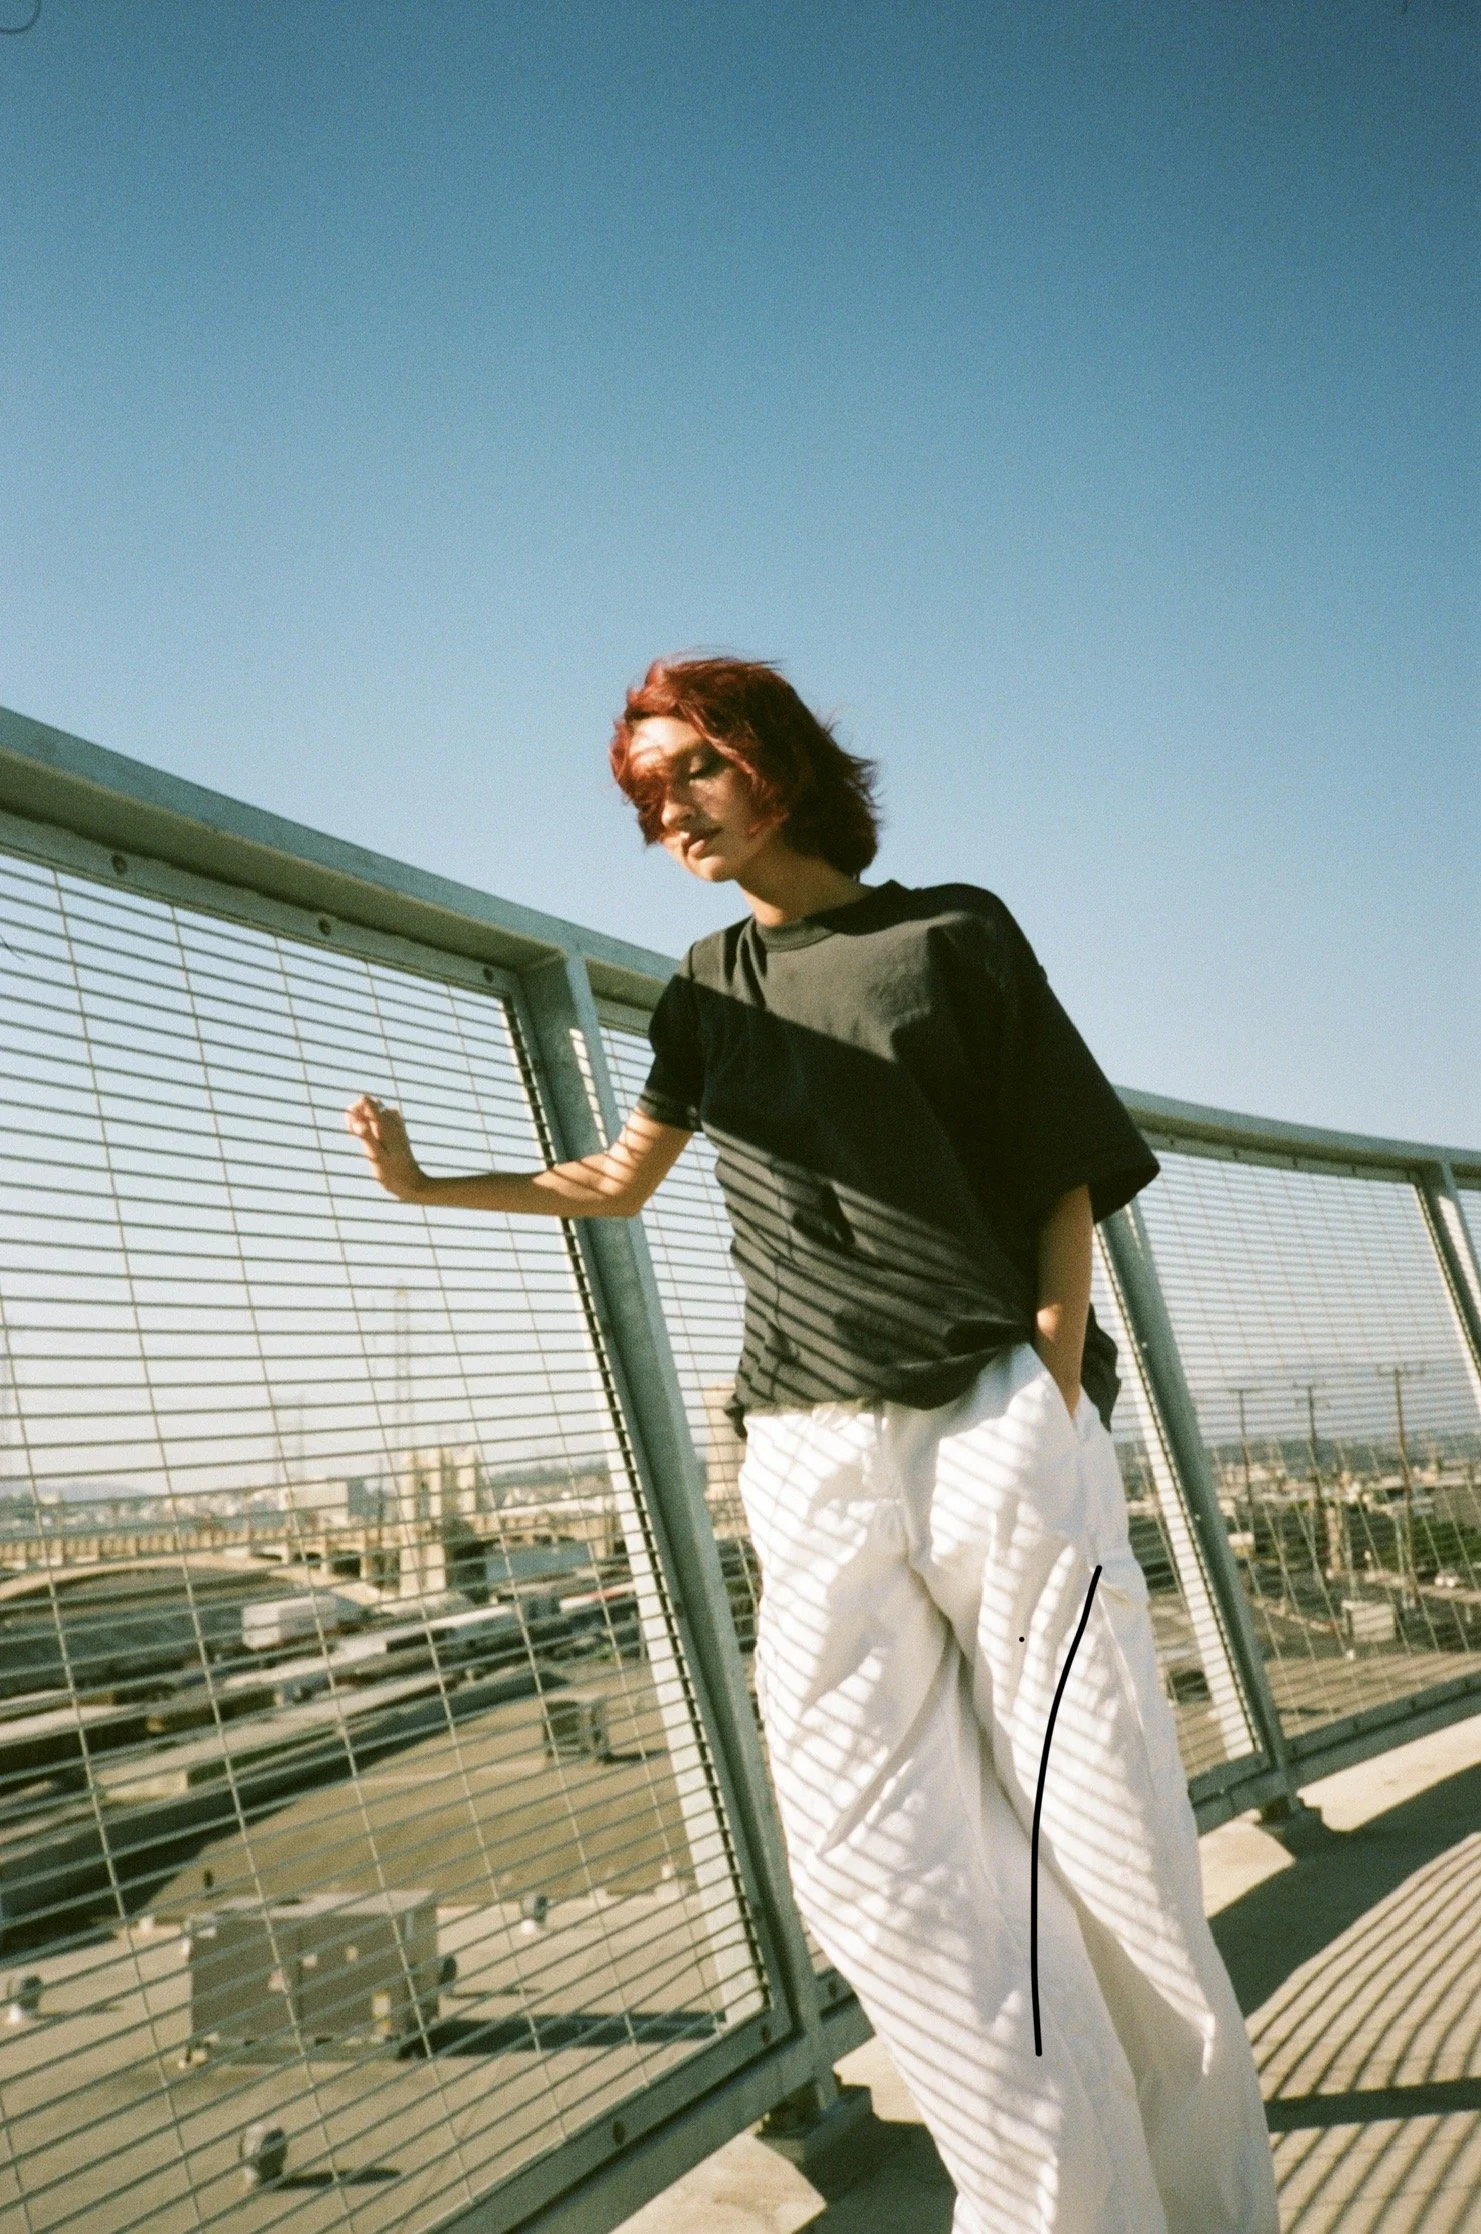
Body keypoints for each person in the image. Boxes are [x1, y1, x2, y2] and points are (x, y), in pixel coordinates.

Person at [346, 657, 1278, 2234]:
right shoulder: (704, 985)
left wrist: (1049, 1391)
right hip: (806, 1451)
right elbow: (619, 1180)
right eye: (646, 793)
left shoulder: (954, 935)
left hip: (991, 1417)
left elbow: (1063, 1173)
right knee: (870, 1860)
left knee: (1112, 1848)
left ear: (773, 760)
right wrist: (431, 1187)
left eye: (692, 769)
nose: (670, 812)